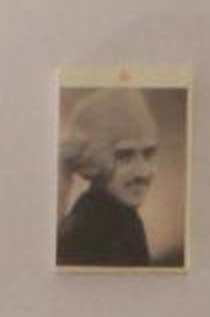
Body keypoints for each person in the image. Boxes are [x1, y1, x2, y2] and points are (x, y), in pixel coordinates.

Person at [57, 88, 163, 267]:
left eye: (148, 153)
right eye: (125, 156)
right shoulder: (86, 230)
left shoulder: (124, 216)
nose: (142, 172)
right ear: (96, 161)